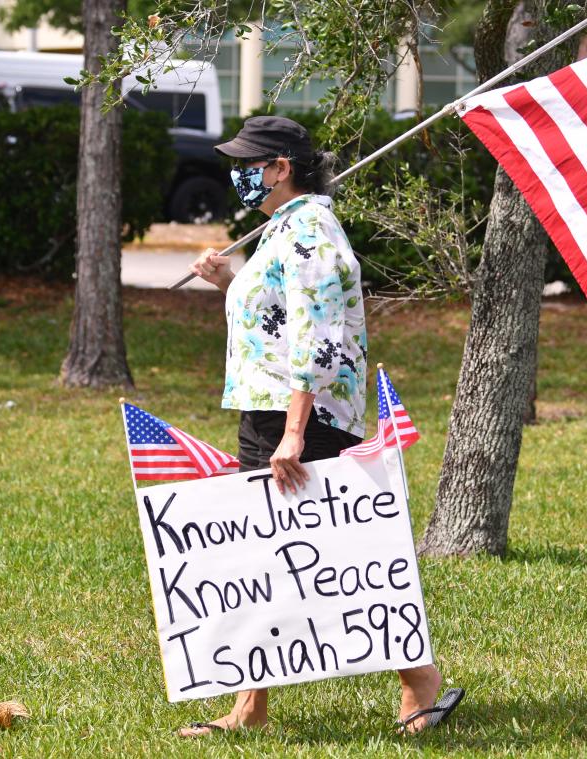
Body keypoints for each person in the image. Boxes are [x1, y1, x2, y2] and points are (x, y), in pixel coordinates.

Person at [179, 115, 461, 737]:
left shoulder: (310, 231)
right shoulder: (284, 229)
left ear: (281, 168)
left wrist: (295, 433)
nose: (238, 174)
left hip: (302, 419)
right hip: (269, 411)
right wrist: (230, 280)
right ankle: (251, 708)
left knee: (338, 556)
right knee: (268, 555)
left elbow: (317, 338)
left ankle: (421, 681)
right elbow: (281, 317)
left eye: (249, 163)